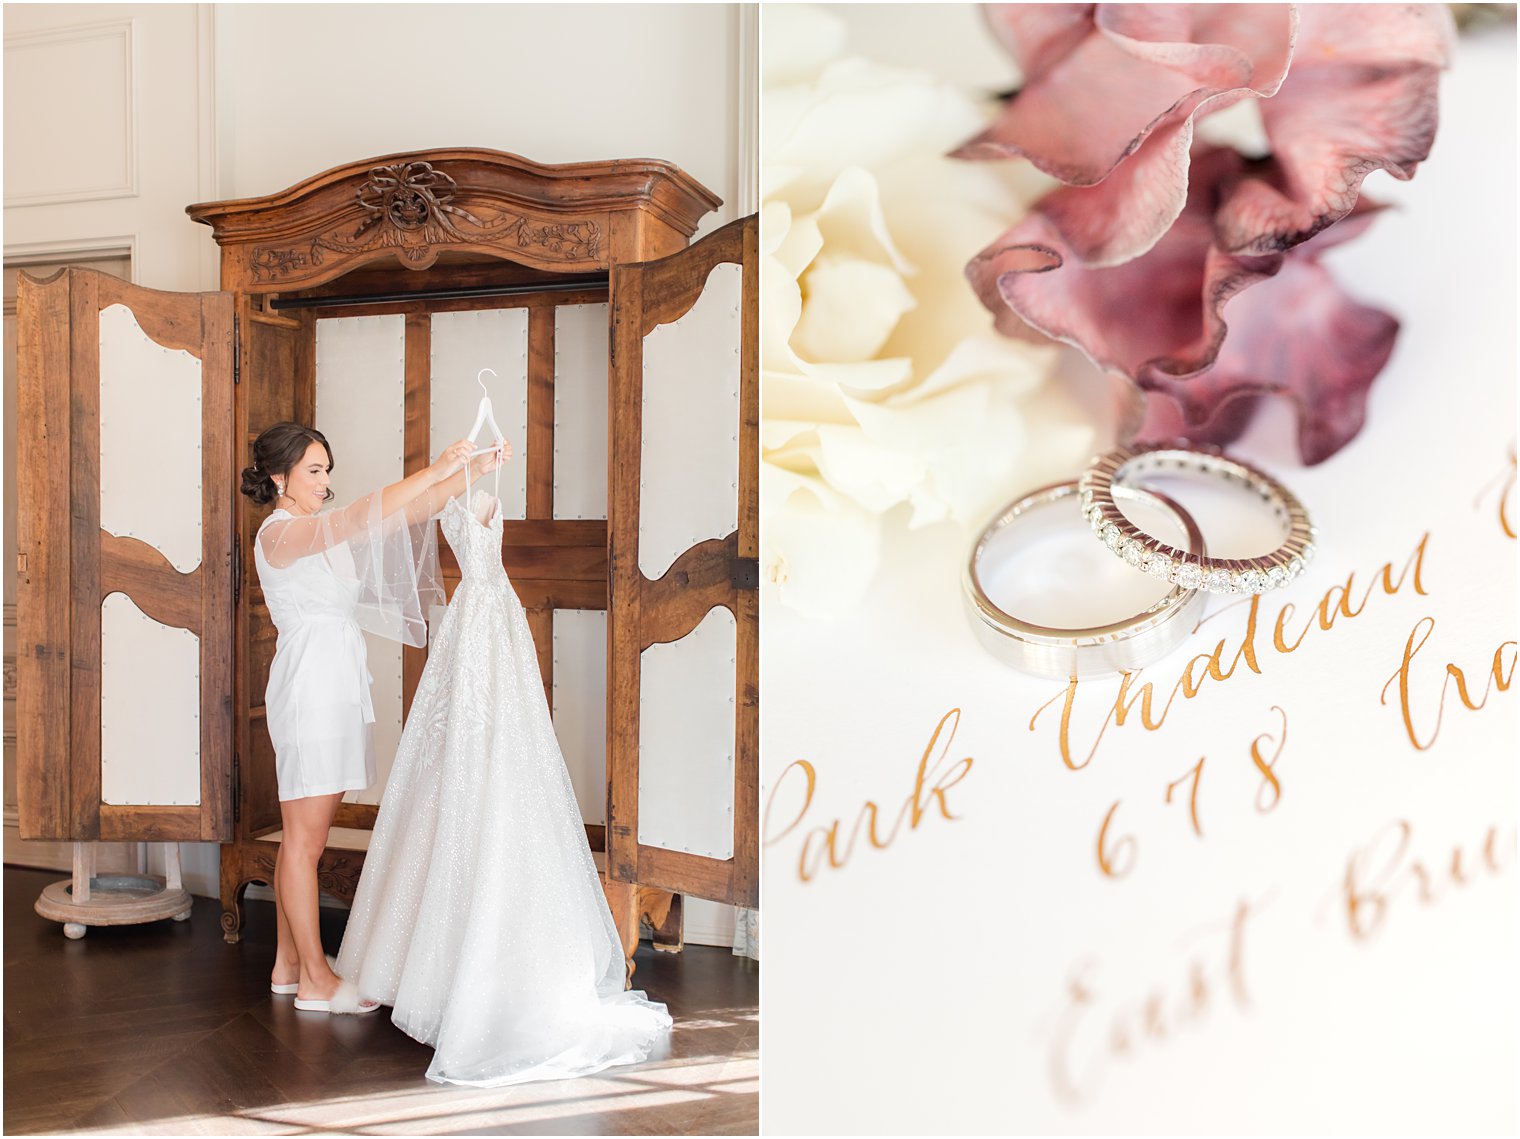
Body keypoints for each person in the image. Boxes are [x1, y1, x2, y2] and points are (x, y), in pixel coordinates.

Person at [335, 480, 673, 1084]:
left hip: (488, 614)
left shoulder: (474, 500)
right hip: (481, 612)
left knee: (495, 737)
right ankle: (425, 973)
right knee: (457, 742)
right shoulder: (462, 494)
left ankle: (459, 977)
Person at [239, 422, 505, 1013]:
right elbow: (363, 513)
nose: (324, 481)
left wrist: (472, 471)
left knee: (303, 839)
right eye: (314, 471)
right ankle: (315, 979)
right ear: (279, 477)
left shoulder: (317, 532)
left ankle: (288, 965)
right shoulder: (281, 535)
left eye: (327, 470)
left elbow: (408, 514)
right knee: (304, 843)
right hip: (309, 690)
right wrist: (435, 467)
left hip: (334, 686)